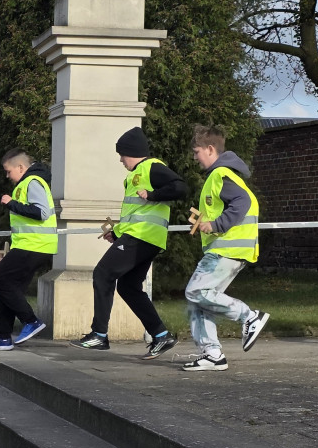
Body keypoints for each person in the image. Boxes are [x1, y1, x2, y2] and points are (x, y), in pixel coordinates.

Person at [70, 127, 187, 360]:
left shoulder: (151, 167)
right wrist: (117, 233)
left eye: (122, 154)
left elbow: (181, 188)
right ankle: (161, 335)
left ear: (132, 152)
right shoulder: (137, 174)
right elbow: (136, 214)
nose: (121, 160)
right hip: (142, 237)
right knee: (128, 286)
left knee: (103, 273)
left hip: (142, 237)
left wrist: (152, 195)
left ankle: (99, 335)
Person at [182, 125, 269, 372]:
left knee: (195, 291)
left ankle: (249, 316)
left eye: (197, 151)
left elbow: (242, 202)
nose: (195, 157)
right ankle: (212, 355)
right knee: (199, 301)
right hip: (228, 250)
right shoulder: (223, 175)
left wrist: (217, 224)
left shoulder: (221, 175)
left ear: (210, 149)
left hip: (226, 250)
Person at [0, 150, 56, 351]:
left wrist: (11, 204)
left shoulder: (33, 182)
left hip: (34, 245)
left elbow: (41, 212)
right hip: (31, 244)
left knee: (0, 279)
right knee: (11, 288)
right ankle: (2, 336)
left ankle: (31, 321)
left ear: (20, 167)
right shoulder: (27, 183)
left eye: (8, 171)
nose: (7, 176)